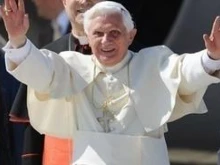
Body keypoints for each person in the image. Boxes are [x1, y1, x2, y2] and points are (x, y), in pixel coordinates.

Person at [2, 0, 220, 164]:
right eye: (98, 33)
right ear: (88, 34)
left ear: (130, 36)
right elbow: (40, 71)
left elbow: (185, 71)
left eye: (115, 32)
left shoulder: (152, 64)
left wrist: (210, 57)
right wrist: (19, 41)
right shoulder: (69, 67)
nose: (106, 41)